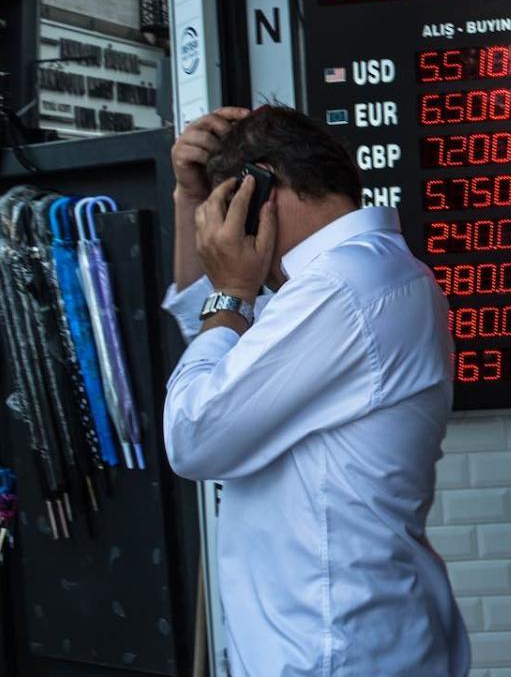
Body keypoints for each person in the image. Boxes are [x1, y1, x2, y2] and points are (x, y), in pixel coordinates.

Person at [161, 106, 469, 676]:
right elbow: (206, 338)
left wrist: (231, 289)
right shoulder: (356, 276)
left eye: (225, 211)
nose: (221, 232)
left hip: (327, 652)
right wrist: (188, 201)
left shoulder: (340, 287)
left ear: (260, 193)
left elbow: (193, 433)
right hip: (337, 644)